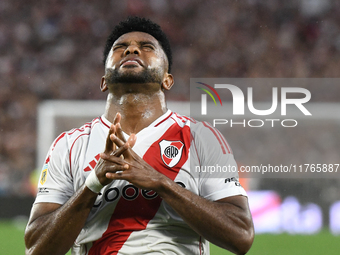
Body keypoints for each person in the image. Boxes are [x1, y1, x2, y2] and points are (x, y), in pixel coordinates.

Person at [25, 17, 254, 255]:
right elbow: (36, 249)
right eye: (120, 48)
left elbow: (241, 236)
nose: (131, 49)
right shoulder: (69, 145)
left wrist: (160, 182)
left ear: (167, 79)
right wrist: (92, 184)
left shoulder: (202, 138)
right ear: (103, 82)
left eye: (147, 47)